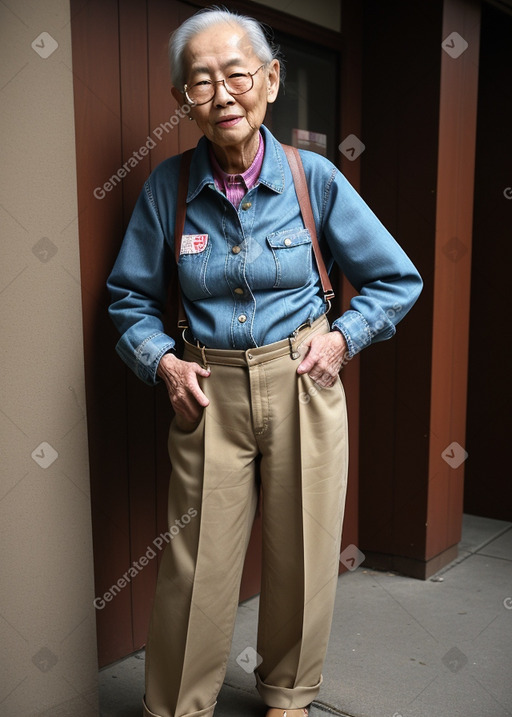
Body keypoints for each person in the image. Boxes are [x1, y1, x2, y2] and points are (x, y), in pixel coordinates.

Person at [107, 7, 423, 717]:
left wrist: (344, 337)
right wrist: (163, 362)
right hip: (208, 390)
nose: (221, 95)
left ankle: (289, 694)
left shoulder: (315, 178)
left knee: (306, 554)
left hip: (302, 383)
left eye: (237, 74)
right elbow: (127, 299)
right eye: (199, 83)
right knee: (197, 564)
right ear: (180, 100)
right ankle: (178, 703)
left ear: (271, 80)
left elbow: (397, 279)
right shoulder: (167, 188)